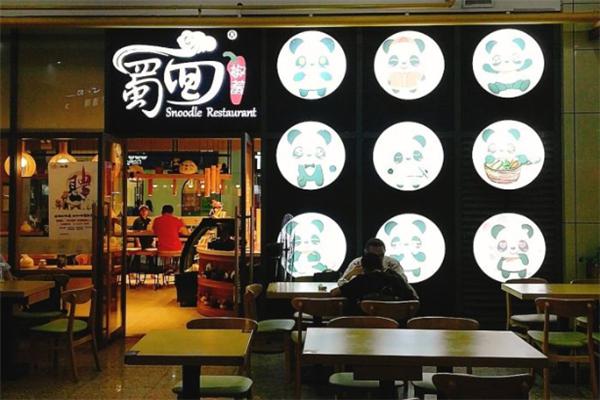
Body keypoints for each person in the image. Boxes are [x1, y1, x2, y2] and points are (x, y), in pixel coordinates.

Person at [330, 253, 418, 303]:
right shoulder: (396, 278)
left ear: (363, 268)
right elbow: (413, 299)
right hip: (396, 324)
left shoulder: (361, 280)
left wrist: (350, 274)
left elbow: (334, 293)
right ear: (381, 265)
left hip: (365, 325)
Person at [338, 238, 407, 286]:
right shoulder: (356, 263)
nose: (378, 259)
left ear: (385, 251)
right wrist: (351, 273)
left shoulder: (392, 263)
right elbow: (342, 284)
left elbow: (404, 281)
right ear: (366, 252)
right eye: (374, 256)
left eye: (381, 255)